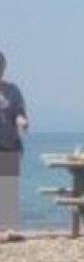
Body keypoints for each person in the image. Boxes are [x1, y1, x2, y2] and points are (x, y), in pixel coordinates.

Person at [0, 51, 29, 242]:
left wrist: (22, 121)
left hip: (9, 143)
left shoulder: (12, 90)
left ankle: (6, 229)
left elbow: (19, 111)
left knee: (7, 186)